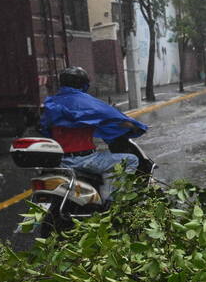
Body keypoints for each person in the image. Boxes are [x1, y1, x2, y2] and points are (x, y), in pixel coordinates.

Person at [40, 66, 148, 203]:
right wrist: (135, 126)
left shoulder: (51, 103)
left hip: (60, 161)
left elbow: (45, 127)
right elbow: (112, 117)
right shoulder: (87, 103)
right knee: (131, 160)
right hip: (84, 160)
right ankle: (112, 202)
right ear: (83, 84)